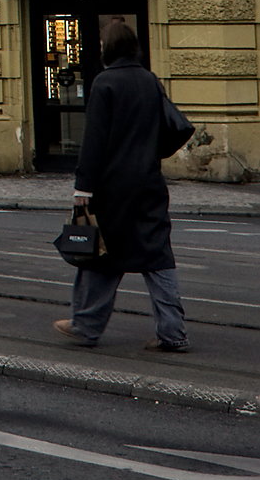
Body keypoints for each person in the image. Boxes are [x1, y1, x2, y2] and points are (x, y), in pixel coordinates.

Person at [56, 25, 190, 354]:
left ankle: (86, 325)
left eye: (102, 43)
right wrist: (150, 152)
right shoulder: (149, 80)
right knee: (157, 256)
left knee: (100, 256)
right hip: (148, 181)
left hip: (112, 186)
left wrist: (83, 187)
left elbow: (94, 140)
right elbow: (177, 126)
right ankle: (173, 332)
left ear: (109, 48)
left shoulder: (105, 83)